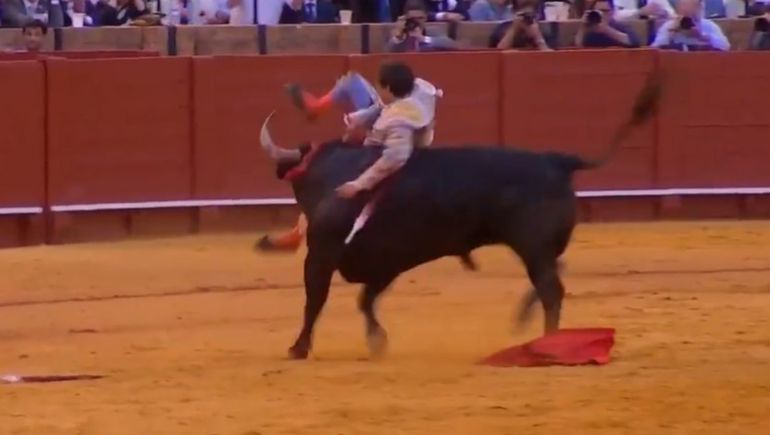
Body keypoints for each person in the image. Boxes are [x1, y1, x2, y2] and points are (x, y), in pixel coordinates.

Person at [257, 62, 443, 252]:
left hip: (389, 146)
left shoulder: (400, 119)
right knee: (352, 82)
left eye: (380, 86)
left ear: (388, 88)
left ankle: (298, 234)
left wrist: (359, 178)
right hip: (387, 130)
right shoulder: (417, 89)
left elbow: (393, 155)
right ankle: (316, 107)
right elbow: (385, 107)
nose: (377, 88)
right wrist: (361, 118)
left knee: (329, 185)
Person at [650, 0, 730, 51]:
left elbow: (726, 46)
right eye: (684, 10)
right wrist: (670, 34)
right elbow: (654, 49)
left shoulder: (708, 25)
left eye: (691, 11)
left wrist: (701, 37)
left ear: (699, 9)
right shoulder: (669, 25)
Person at [575, 0, 640, 48]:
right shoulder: (591, 32)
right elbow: (577, 51)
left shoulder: (622, 27)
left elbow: (634, 42)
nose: (602, 14)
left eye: (605, 11)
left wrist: (606, 30)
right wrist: (582, 28)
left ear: (612, 12)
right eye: (598, 11)